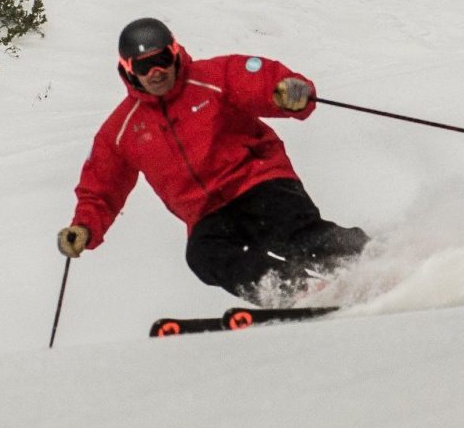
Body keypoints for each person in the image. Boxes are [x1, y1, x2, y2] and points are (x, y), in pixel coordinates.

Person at [57, 17, 370, 303]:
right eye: (144, 66)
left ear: (175, 52)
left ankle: (374, 258)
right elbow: (101, 186)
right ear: (127, 69)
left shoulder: (213, 77)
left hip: (257, 181)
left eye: (162, 60)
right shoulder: (122, 129)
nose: (157, 72)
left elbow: (262, 81)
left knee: (294, 235)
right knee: (204, 254)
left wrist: (288, 91)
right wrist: (84, 227)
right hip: (206, 214)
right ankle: (290, 289)